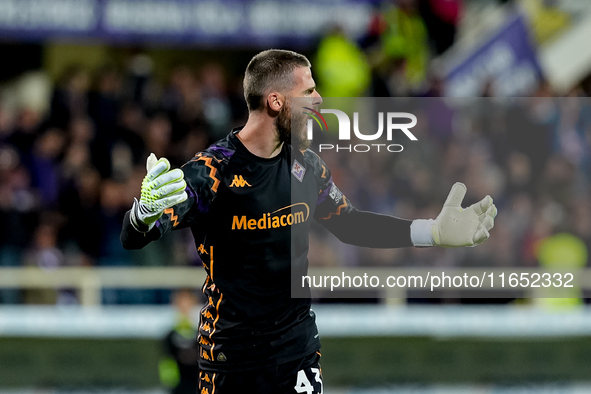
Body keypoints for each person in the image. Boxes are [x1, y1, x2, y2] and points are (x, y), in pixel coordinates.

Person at [121, 49, 497, 393]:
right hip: (231, 359)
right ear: (276, 101)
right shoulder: (212, 171)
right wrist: (143, 213)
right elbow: (136, 235)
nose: (318, 100)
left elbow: (349, 223)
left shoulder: (306, 165)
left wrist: (430, 231)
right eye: (310, 91)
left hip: (296, 349)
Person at [159, 289, 200, 394]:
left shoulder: (201, 333)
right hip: (178, 387)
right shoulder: (169, 336)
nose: (184, 306)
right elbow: (166, 362)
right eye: (181, 302)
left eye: (187, 302)